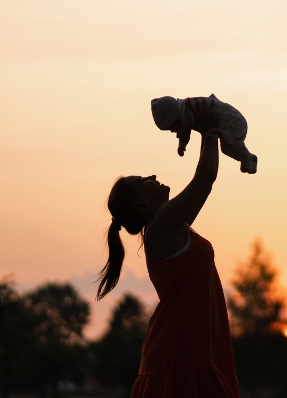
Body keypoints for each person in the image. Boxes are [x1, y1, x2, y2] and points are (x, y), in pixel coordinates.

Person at [96, 129, 240, 398]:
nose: (152, 176)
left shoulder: (173, 227)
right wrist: (209, 128)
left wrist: (207, 130)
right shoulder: (161, 228)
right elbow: (205, 178)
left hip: (191, 352)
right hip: (180, 356)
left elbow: (204, 182)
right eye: (143, 180)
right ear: (140, 200)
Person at [151, 94, 258, 174]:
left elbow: (188, 127)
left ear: (174, 118)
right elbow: (187, 130)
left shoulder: (186, 108)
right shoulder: (185, 111)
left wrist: (182, 143)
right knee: (225, 148)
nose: (172, 131)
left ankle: (249, 157)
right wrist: (182, 141)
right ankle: (245, 159)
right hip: (224, 121)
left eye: (171, 127)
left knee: (232, 143)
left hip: (230, 118)